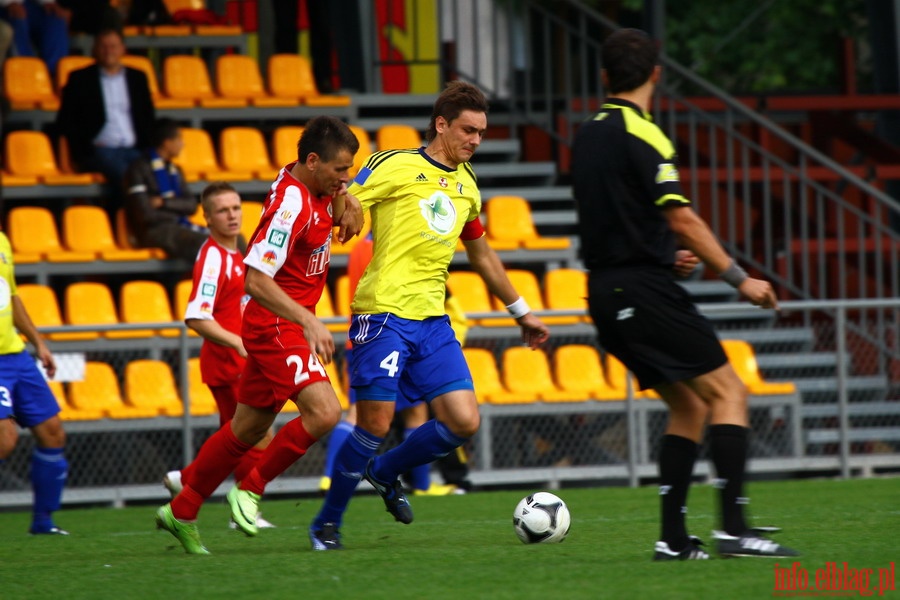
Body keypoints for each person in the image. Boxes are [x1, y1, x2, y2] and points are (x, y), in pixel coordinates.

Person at [571, 28, 799, 561]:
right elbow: (683, 217)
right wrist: (739, 278)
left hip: (605, 290)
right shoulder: (643, 132)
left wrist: (660, 253)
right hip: (642, 289)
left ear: (604, 77)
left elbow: (613, 213)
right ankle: (735, 529)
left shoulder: (587, 132)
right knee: (729, 393)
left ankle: (673, 540)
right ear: (656, 74)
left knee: (689, 407)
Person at [308, 81, 550, 551]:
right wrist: (349, 203)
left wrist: (522, 313)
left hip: (432, 322)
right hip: (382, 314)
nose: (476, 140)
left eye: (481, 132)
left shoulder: (468, 186)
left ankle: (384, 471)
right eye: (468, 130)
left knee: (464, 421)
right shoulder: (396, 164)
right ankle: (326, 524)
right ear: (441, 125)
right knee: (374, 424)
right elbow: (342, 193)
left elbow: (482, 257)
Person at [155, 115, 362, 555]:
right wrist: (307, 321)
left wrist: (349, 201)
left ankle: (183, 508)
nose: (347, 178)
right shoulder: (290, 207)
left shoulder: (319, 188)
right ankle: (248, 490)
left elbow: (344, 213)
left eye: (349, 170)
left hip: (284, 320)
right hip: (275, 322)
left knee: (245, 429)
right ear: (312, 161)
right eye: (341, 170)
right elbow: (254, 279)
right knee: (325, 412)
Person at [160, 181, 274, 530]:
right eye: (223, 210)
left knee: (241, 435)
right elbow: (196, 315)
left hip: (238, 362)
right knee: (250, 435)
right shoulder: (212, 257)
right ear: (207, 217)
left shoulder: (235, 253)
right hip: (228, 364)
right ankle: (242, 510)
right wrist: (237, 342)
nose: (232, 215)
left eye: (236, 208)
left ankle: (188, 479)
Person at [321, 234, 469, 497]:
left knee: (358, 413)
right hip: (390, 334)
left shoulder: (358, 248)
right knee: (410, 413)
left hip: (362, 335)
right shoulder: (390, 244)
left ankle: (329, 477)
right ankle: (420, 486)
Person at [0, 228, 69, 535]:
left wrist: (37, 342)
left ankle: (43, 523)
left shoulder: (2, 240)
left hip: (15, 355)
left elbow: (10, 296)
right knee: (4, 439)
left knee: (52, 432)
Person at [55, 27, 155, 219]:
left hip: (135, 149)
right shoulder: (79, 79)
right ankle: (126, 225)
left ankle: (122, 221)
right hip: (99, 149)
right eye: (103, 46)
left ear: (122, 49)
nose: (109, 50)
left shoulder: (138, 78)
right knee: (128, 177)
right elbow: (65, 121)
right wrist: (82, 146)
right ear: (94, 49)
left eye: (113, 46)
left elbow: (148, 119)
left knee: (153, 176)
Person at [123, 117, 208, 262]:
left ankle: (243, 284)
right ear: (167, 143)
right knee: (206, 243)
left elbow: (191, 205)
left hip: (180, 226)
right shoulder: (138, 169)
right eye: (179, 139)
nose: (183, 144)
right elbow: (144, 214)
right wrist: (175, 214)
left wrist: (164, 203)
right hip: (155, 231)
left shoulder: (175, 170)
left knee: (234, 238)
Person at [0, 0, 69, 76]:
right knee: (17, 19)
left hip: (30, 4)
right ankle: (28, 74)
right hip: (6, 5)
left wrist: (47, 2)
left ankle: (55, 75)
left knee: (55, 18)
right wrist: (8, 3)